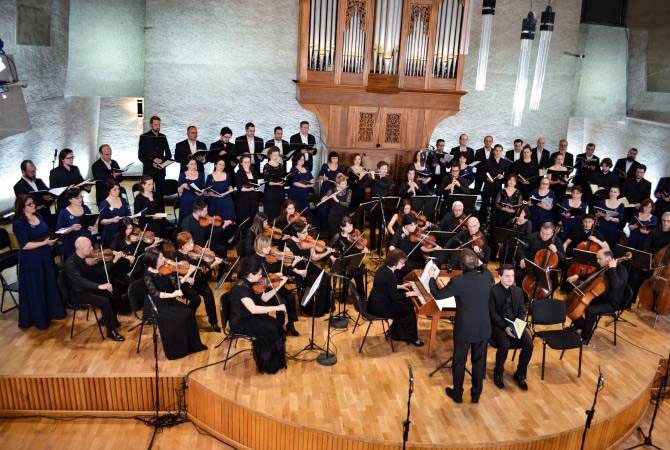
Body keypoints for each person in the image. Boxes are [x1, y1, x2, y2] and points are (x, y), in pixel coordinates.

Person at [429, 249, 495, 404]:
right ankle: (476, 395)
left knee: (459, 362)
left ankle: (457, 394)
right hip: (483, 327)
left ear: (461, 266)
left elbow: (438, 295)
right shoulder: (487, 277)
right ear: (476, 263)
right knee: (479, 363)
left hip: (464, 329)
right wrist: (479, 262)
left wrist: (432, 278)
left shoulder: (458, 282)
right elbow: (484, 269)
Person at [143, 247, 208, 360]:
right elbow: (156, 294)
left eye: (163, 256)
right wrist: (173, 295)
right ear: (153, 261)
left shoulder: (166, 269)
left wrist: (189, 273)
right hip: (158, 304)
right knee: (179, 317)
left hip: (170, 300)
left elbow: (176, 284)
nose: (164, 259)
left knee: (188, 312)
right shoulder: (147, 275)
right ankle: (177, 350)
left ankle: (191, 346)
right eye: (161, 258)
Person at [12, 194, 65, 329]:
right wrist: (45, 243)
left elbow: (45, 234)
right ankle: (40, 318)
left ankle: (53, 312)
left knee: (48, 282)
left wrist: (50, 241)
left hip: (45, 255)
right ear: (22, 208)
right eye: (29, 204)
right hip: (31, 259)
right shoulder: (18, 223)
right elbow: (25, 245)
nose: (33, 205)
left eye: (33, 202)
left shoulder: (38, 216)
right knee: (37, 287)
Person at [228, 257, 287, 374]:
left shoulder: (252, 283)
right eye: (259, 274)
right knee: (270, 329)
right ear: (251, 274)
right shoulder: (241, 288)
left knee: (276, 324)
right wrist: (277, 307)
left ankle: (275, 359)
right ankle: (268, 364)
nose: (261, 276)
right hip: (240, 321)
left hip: (249, 316)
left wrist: (279, 285)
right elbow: (254, 309)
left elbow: (264, 298)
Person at [64, 236, 125, 341]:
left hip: (91, 287)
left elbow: (100, 271)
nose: (92, 248)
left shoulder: (89, 257)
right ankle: (111, 331)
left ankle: (107, 319)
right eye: (89, 247)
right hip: (79, 293)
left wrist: (95, 266)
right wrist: (99, 286)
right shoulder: (70, 263)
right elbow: (80, 281)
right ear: (80, 249)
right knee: (104, 301)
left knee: (114, 293)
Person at [567, 249, 628, 344]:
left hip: (611, 302)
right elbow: (592, 275)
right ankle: (581, 325)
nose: (597, 261)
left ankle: (585, 336)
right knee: (573, 304)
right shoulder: (603, 266)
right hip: (599, 297)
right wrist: (578, 276)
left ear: (608, 259)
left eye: (599, 259)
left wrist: (612, 269)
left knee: (590, 310)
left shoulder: (621, 270)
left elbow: (616, 286)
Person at [367, 249, 424, 346]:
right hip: (380, 308)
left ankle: (395, 332)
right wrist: (409, 294)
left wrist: (400, 286)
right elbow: (395, 298)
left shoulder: (382, 269)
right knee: (409, 310)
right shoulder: (390, 275)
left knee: (405, 305)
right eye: (402, 262)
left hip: (373, 303)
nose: (404, 265)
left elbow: (386, 286)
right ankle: (411, 338)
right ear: (394, 262)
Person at [489, 264, 533, 390]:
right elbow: (493, 314)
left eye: (512, 276)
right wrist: (505, 327)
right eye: (507, 276)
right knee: (504, 344)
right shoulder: (493, 291)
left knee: (529, 345)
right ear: (500, 276)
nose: (510, 279)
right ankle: (498, 373)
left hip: (514, 324)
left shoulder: (518, 291)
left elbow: (522, 311)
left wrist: (518, 325)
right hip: (498, 325)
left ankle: (520, 374)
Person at [175, 232, 223, 332]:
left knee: (208, 293)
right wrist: (187, 278)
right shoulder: (176, 256)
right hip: (184, 284)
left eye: (192, 241)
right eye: (189, 243)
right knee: (196, 299)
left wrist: (214, 263)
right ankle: (187, 318)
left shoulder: (194, 254)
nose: (192, 244)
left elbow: (204, 270)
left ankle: (213, 322)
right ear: (183, 246)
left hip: (196, 281)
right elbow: (173, 275)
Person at [285, 221, 335, 316]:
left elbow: (314, 257)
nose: (307, 234)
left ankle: (325, 307)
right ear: (297, 233)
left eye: (307, 231)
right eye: (304, 232)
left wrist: (327, 252)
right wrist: (299, 271)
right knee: (316, 281)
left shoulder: (307, 241)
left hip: (308, 266)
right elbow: (287, 265)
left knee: (326, 276)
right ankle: (310, 309)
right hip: (297, 270)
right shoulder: (288, 245)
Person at [138, 115, 171, 210]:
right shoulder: (144, 137)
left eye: (159, 125)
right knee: (148, 193)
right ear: (151, 125)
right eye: (155, 125)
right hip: (149, 170)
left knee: (160, 194)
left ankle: (162, 215)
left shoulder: (163, 137)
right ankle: (149, 214)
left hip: (161, 170)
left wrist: (162, 160)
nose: (157, 126)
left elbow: (168, 154)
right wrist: (153, 161)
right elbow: (141, 156)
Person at [56, 188, 95, 261]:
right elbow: (58, 231)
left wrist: (92, 227)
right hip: (72, 243)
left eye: (81, 197)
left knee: (89, 263)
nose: (80, 199)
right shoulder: (64, 212)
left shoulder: (85, 208)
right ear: (70, 199)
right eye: (77, 198)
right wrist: (71, 228)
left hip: (87, 241)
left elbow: (90, 223)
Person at [14, 160, 54, 230]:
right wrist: (42, 199)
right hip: (33, 218)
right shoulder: (18, 186)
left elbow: (48, 193)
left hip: (48, 214)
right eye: (31, 172)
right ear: (23, 172)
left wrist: (50, 197)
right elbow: (23, 204)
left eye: (35, 171)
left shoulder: (39, 181)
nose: (34, 173)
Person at [480, 144, 511, 223]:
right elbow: (481, 174)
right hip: (488, 186)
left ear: (502, 152)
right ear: (493, 151)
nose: (498, 152)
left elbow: (508, 174)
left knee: (496, 205)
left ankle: (494, 223)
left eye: (500, 151)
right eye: (496, 150)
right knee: (485, 205)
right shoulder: (488, 161)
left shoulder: (504, 162)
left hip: (498, 186)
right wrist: (486, 178)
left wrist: (503, 176)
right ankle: (483, 222)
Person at [367, 161, 392, 252]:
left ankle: (380, 248)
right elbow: (364, 185)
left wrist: (373, 179)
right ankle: (372, 246)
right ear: (378, 169)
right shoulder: (374, 178)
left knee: (381, 227)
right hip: (373, 206)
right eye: (383, 169)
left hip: (383, 207)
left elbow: (384, 186)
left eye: (386, 169)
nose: (385, 170)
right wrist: (364, 176)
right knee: (372, 227)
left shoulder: (388, 180)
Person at [317, 152, 344, 232]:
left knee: (332, 207)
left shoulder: (340, 168)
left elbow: (342, 179)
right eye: (333, 158)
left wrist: (339, 183)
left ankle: (331, 228)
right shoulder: (325, 166)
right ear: (330, 158)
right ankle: (322, 228)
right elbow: (320, 176)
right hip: (325, 188)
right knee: (323, 207)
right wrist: (323, 178)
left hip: (335, 189)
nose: (335, 160)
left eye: (336, 158)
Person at [98, 179, 130, 246]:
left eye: (118, 189)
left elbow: (128, 215)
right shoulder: (104, 203)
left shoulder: (123, 200)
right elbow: (101, 221)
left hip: (123, 232)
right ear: (109, 191)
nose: (118, 191)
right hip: (111, 233)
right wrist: (112, 220)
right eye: (114, 189)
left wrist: (132, 219)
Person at [177, 156, 206, 225]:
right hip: (187, 199)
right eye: (191, 164)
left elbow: (204, 188)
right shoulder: (182, 175)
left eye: (195, 164)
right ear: (187, 165)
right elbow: (179, 191)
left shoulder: (201, 174)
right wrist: (182, 186)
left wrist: (202, 192)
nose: (194, 166)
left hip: (199, 198)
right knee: (186, 220)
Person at [205, 157, 235, 222]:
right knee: (216, 222)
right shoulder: (210, 176)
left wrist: (230, 188)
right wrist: (216, 195)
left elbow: (229, 186)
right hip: (215, 201)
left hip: (226, 200)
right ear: (215, 165)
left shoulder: (228, 175)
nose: (222, 166)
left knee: (228, 221)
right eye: (220, 164)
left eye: (223, 165)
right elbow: (208, 192)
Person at [322, 173, 351, 238]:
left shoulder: (349, 191)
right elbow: (325, 197)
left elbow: (347, 204)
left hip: (343, 216)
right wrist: (323, 199)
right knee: (333, 234)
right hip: (333, 216)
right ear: (338, 184)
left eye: (346, 183)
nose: (345, 185)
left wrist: (337, 200)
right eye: (343, 184)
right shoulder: (332, 190)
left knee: (342, 234)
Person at [234, 153, 260, 227]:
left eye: (249, 162)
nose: (247, 163)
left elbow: (256, 185)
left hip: (253, 198)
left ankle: (253, 232)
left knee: (253, 216)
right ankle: (244, 233)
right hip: (243, 199)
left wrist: (256, 187)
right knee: (244, 218)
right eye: (245, 162)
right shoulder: (239, 173)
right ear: (241, 163)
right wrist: (251, 188)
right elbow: (240, 188)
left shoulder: (253, 172)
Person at [262, 147, 288, 220]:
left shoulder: (281, 165)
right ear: (270, 155)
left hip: (280, 191)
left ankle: (278, 225)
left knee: (280, 211)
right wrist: (278, 184)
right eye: (274, 155)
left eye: (277, 155)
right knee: (271, 211)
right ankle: (270, 226)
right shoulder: (266, 166)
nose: (276, 157)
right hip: (270, 192)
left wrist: (285, 180)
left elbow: (284, 177)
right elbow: (266, 181)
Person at [347, 153, 368, 224]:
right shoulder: (349, 169)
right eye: (355, 159)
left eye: (359, 159)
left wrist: (360, 181)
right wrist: (359, 178)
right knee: (352, 210)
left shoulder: (364, 169)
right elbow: (348, 182)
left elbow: (366, 183)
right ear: (353, 160)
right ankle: (351, 226)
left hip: (361, 192)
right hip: (352, 192)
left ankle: (359, 227)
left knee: (360, 210)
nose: (357, 161)